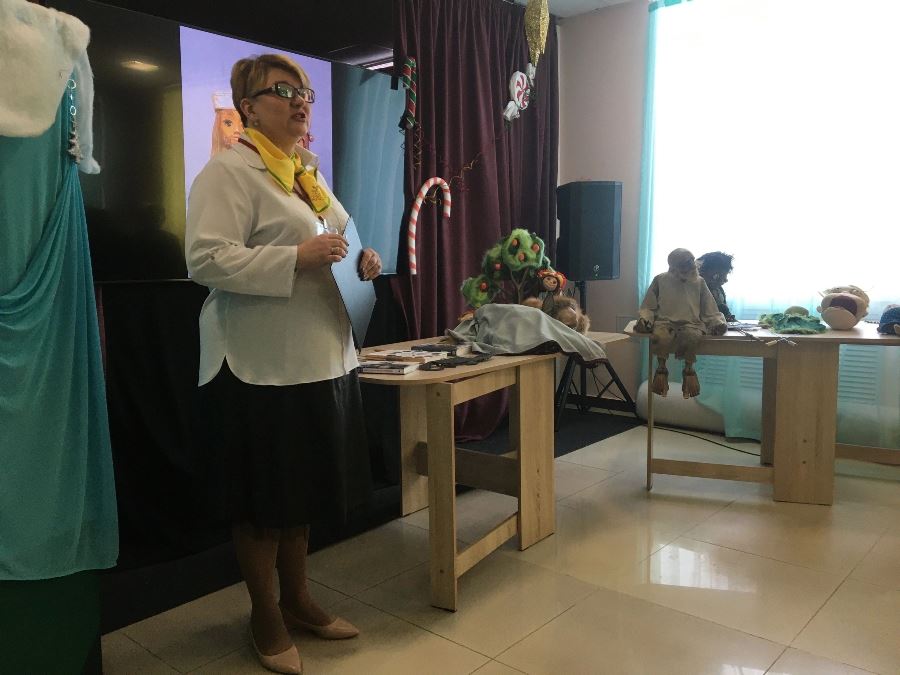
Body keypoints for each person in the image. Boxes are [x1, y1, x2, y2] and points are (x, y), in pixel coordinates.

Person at [185, 53, 382, 675]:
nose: (301, 101)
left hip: (320, 356)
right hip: (259, 363)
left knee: (302, 494)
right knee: (263, 501)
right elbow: (205, 260)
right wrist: (295, 257)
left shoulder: (306, 173)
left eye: (306, 93)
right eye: (283, 90)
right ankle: (264, 613)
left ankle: (297, 600)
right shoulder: (230, 171)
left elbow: (341, 239)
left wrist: (366, 258)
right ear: (247, 107)